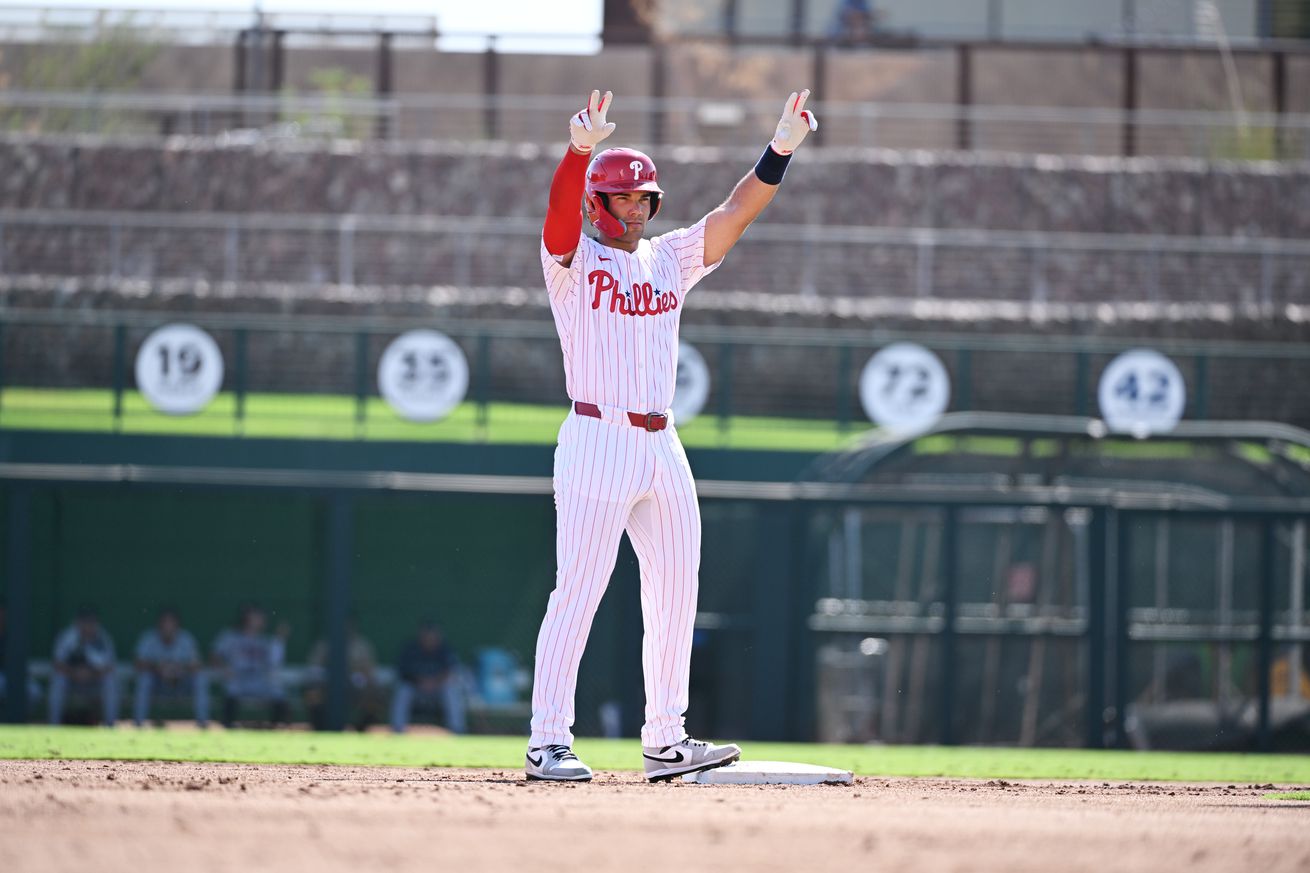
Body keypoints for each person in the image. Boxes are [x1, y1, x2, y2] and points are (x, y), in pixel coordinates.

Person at [528, 88, 818, 782]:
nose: (636, 208)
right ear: (599, 202)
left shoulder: (669, 258)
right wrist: (578, 152)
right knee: (580, 590)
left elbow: (733, 213)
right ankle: (548, 741)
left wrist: (777, 150)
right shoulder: (571, 262)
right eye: (624, 199)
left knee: (675, 589)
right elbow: (557, 220)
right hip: (597, 432)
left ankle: (666, 739)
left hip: (663, 441)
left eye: (644, 199)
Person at [211, 604, 289, 728]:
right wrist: (224, 668)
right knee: (232, 688)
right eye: (257, 617)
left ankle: (275, 728)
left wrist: (280, 640)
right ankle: (227, 726)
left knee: (277, 692)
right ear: (247, 618)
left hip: (258, 680)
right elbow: (214, 656)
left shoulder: (265, 641)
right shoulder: (231, 636)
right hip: (238, 678)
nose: (261, 620)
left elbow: (274, 663)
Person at [132, 607, 208, 727]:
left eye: (171, 623)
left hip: (181, 685)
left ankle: (202, 724)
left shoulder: (186, 639)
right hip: (158, 685)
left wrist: (180, 668)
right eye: (165, 623)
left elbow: (197, 664)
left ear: (177, 625)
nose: (168, 626)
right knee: (145, 679)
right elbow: (138, 663)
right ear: (159, 625)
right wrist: (158, 668)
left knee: (200, 678)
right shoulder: (149, 638)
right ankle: (138, 724)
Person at [303, 617, 384, 731]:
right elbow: (314, 667)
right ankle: (320, 728)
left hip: (356, 688)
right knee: (313, 692)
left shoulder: (362, 645)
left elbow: (369, 672)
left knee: (375, 694)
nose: (346, 629)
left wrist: (357, 672)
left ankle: (361, 729)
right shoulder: (325, 643)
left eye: (349, 625)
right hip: (328, 686)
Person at [390, 621, 467, 734]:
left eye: (433, 636)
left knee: (451, 690)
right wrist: (421, 682)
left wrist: (434, 682)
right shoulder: (411, 649)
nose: (429, 640)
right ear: (421, 636)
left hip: (438, 692)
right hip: (417, 691)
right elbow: (403, 673)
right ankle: (397, 729)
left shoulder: (445, 649)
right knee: (404, 690)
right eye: (427, 636)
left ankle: (457, 730)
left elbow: (452, 672)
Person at [48, 607, 119, 725]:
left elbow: (110, 666)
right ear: (77, 623)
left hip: (94, 681)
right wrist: (74, 673)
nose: (88, 626)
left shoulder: (103, 638)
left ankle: (110, 724)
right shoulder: (68, 637)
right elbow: (57, 663)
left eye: (91, 622)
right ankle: (53, 724)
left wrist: (91, 674)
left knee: (110, 681)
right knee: (58, 680)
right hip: (71, 680)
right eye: (85, 622)